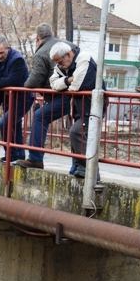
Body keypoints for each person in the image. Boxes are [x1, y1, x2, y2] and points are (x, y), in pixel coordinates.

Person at [18, 24, 77, 170]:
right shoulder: (68, 45)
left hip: (63, 95)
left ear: (37, 38)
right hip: (78, 94)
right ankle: (77, 166)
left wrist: (23, 85)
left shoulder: (41, 53)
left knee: (39, 116)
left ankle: (35, 159)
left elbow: (34, 81)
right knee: (77, 129)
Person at [49, 41, 104, 179]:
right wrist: (68, 80)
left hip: (93, 106)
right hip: (80, 106)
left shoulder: (84, 58)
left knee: (76, 132)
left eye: (60, 61)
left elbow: (76, 86)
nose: (59, 65)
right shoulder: (63, 66)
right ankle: (79, 166)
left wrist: (67, 84)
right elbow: (54, 84)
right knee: (77, 133)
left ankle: (91, 171)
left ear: (68, 55)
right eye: (57, 63)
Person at [0, 37, 31, 164]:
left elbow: (13, 81)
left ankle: (11, 153)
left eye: (1, 53)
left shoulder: (17, 59)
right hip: (7, 98)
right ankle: (17, 154)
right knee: (13, 125)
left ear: (8, 49)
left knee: (4, 123)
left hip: (22, 98)